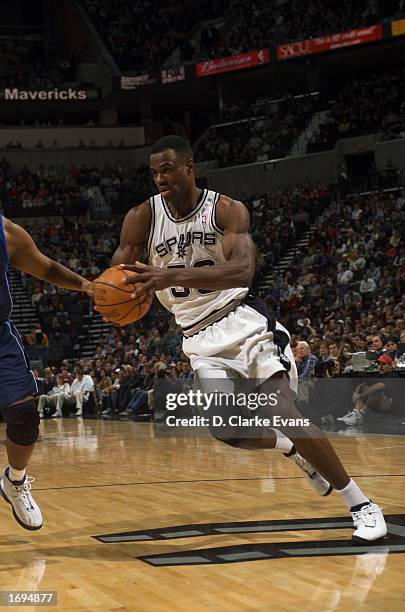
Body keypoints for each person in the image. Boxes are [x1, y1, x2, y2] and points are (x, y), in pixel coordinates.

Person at [95, 135, 386, 542]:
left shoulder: (226, 209)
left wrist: (170, 275)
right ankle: (289, 449)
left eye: (167, 169)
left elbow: (242, 271)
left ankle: (361, 504)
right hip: (196, 337)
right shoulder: (141, 216)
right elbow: (121, 270)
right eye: (154, 172)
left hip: (243, 325)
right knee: (224, 430)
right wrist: (117, 291)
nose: (160, 177)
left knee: (285, 412)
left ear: (189, 167)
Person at [0, 215, 90, 530]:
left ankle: (15, 481)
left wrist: (85, 285)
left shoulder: (6, 231)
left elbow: (45, 267)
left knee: (24, 416)